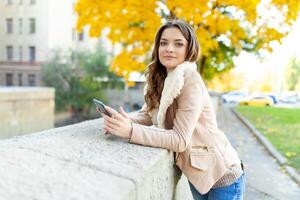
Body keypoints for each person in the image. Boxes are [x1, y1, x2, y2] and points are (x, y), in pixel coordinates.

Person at [99, 19, 246, 200]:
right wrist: (122, 122)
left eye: (178, 44)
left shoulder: (190, 79)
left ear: (188, 49)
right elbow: (148, 114)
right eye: (163, 43)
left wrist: (130, 131)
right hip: (198, 174)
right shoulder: (162, 77)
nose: (169, 48)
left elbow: (179, 140)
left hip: (222, 178)